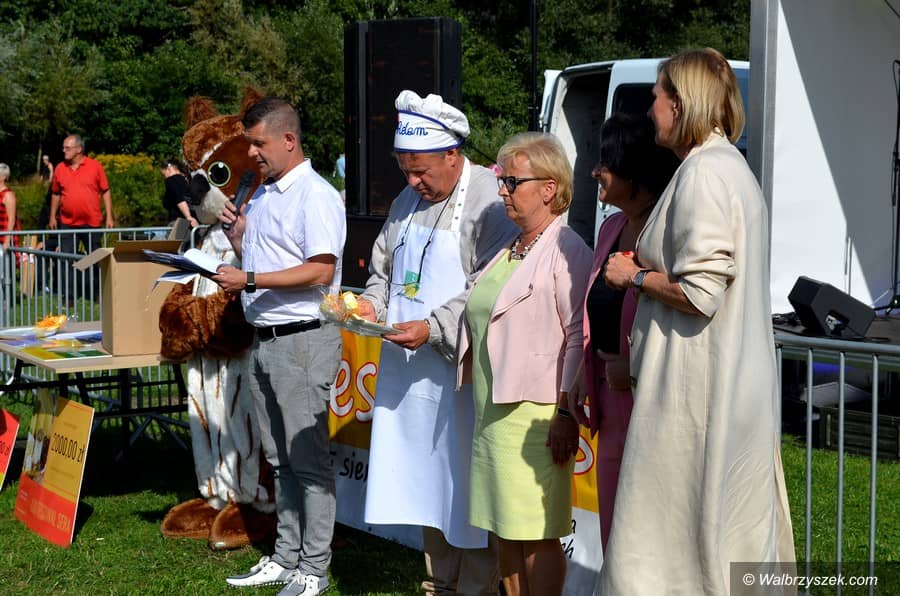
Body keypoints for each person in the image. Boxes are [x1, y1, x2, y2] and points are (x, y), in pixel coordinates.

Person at [599, 48, 795, 593]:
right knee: (715, 537)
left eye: (657, 98)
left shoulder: (705, 172)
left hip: (696, 396)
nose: (651, 111)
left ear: (680, 104)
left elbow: (702, 291)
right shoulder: (724, 167)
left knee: (676, 549)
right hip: (714, 388)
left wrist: (634, 275)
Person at [357, 90, 518, 596]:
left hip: (460, 372)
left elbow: (487, 287)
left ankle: (476, 588)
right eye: (405, 170)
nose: (412, 182)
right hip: (408, 374)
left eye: (421, 171)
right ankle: (440, 583)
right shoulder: (406, 201)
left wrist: (432, 328)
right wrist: (371, 306)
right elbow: (383, 270)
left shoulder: (490, 201)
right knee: (426, 484)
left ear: (452, 154)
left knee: (465, 484)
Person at [212, 97, 346, 596]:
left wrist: (248, 278)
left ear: (289, 140)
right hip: (266, 341)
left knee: (308, 462)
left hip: (304, 340)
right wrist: (238, 240)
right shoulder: (264, 194)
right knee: (280, 459)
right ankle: (287, 557)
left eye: (258, 143)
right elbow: (268, 261)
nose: (251, 153)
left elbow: (321, 270)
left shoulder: (316, 195)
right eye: (249, 143)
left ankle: (314, 568)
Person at [457, 132, 592, 596]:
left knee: (536, 532)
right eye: (502, 180)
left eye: (512, 182)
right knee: (504, 528)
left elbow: (578, 336)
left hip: (536, 415)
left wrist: (566, 411)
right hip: (492, 411)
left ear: (549, 189)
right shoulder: (513, 246)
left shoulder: (567, 249)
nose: (502, 191)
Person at [570, 113, 679, 551]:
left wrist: (632, 366)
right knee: (614, 527)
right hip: (609, 400)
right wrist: (583, 373)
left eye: (606, 163)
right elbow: (594, 307)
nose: (595, 171)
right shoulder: (611, 228)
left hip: (651, 402)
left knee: (647, 530)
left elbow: (681, 315)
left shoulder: (667, 233)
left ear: (634, 172)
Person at [49, 134, 114, 303]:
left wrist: (109, 216)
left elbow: (105, 191)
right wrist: (52, 216)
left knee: (96, 259)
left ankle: (98, 293)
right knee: (67, 260)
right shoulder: (60, 168)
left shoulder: (95, 166)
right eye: (63, 147)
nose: (64, 150)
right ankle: (69, 297)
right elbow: (55, 193)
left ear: (79, 149)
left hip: (91, 223)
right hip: (67, 223)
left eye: (67, 148)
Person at [160, 158, 197, 227]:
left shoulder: (171, 180)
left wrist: (189, 217)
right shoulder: (188, 180)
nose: (164, 177)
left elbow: (180, 199)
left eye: (164, 174)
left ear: (169, 169)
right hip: (196, 220)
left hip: (180, 222)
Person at [0, 163, 18, 251]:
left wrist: (7, 241)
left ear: (3, 177)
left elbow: (12, 219)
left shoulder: (8, 195)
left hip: (3, 238)